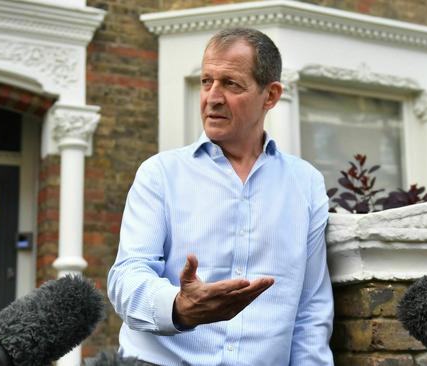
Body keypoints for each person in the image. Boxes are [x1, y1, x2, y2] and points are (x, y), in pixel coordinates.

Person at [107, 27, 334, 365]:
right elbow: (126, 276)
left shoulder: (306, 184)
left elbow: (311, 310)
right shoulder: (160, 174)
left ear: (270, 96)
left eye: (231, 84)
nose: (212, 97)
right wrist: (179, 307)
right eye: (206, 81)